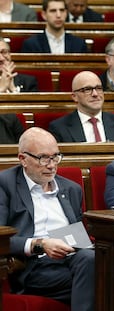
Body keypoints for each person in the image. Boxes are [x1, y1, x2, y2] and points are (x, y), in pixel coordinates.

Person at [0, 127, 94, 311]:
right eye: (43, 158)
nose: (51, 165)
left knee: (96, 262)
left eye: (55, 157)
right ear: (23, 159)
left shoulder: (71, 189)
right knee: (104, 278)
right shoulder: (5, 184)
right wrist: (40, 244)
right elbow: (0, 238)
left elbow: (78, 235)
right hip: (33, 266)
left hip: (75, 260)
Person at [49, 70, 114, 142]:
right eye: (87, 89)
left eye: (98, 88)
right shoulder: (59, 127)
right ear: (75, 96)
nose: (95, 94)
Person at [20, 0, 88, 53]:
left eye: (62, 10)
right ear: (44, 15)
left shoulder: (79, 44)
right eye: (53, 11)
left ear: (66, 13)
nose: (58, 15)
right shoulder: (31, 44)